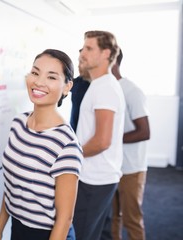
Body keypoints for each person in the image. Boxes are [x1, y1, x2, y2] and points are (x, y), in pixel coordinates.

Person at [0, 49, 83, 240]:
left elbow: (65, 219)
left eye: (51, 77)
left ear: (67, 87)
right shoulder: (18, 124)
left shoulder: (66, 144)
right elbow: (11, 185)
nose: (39, 82)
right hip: (17, 229)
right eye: (35, 73)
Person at [73, 30, 126, 240]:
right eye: (83, 47)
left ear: (106, 53)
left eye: (89, 48)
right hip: (97, 177)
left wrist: (70, 155)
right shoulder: (99, 85)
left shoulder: (105, 87)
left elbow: (102, 141)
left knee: (82, 235)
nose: (82, 53)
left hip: (94, 180)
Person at [111, 49, 150, 240]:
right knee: (112, 220)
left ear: (112, 60)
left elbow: (144, 131)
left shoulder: (132, 90)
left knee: (132, 220)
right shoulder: (103, 88)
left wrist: (108, 139)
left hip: (132, 169)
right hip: (111, 167)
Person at [70, 49, 91, 132]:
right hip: (74, 134)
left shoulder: (100, 88)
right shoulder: (78, 82)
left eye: (81, 62)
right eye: (79, 62)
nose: (78, 66)